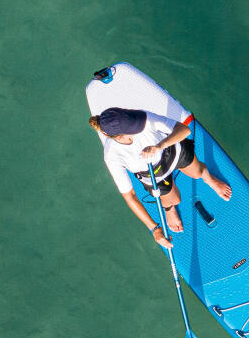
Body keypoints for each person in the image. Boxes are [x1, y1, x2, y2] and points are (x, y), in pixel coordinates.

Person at [90, 107, 232, 249]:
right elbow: (130, 197)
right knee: (175, 200)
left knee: (198, 172)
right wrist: (155, 229)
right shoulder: (112, 156)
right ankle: (170, 210)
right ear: (120, 136)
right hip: (154, 176)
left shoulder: (141, 117)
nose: (138, 124)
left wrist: (159, 146)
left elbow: (184, 130)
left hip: (171, 151)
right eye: (132, 127)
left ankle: (209, 179)